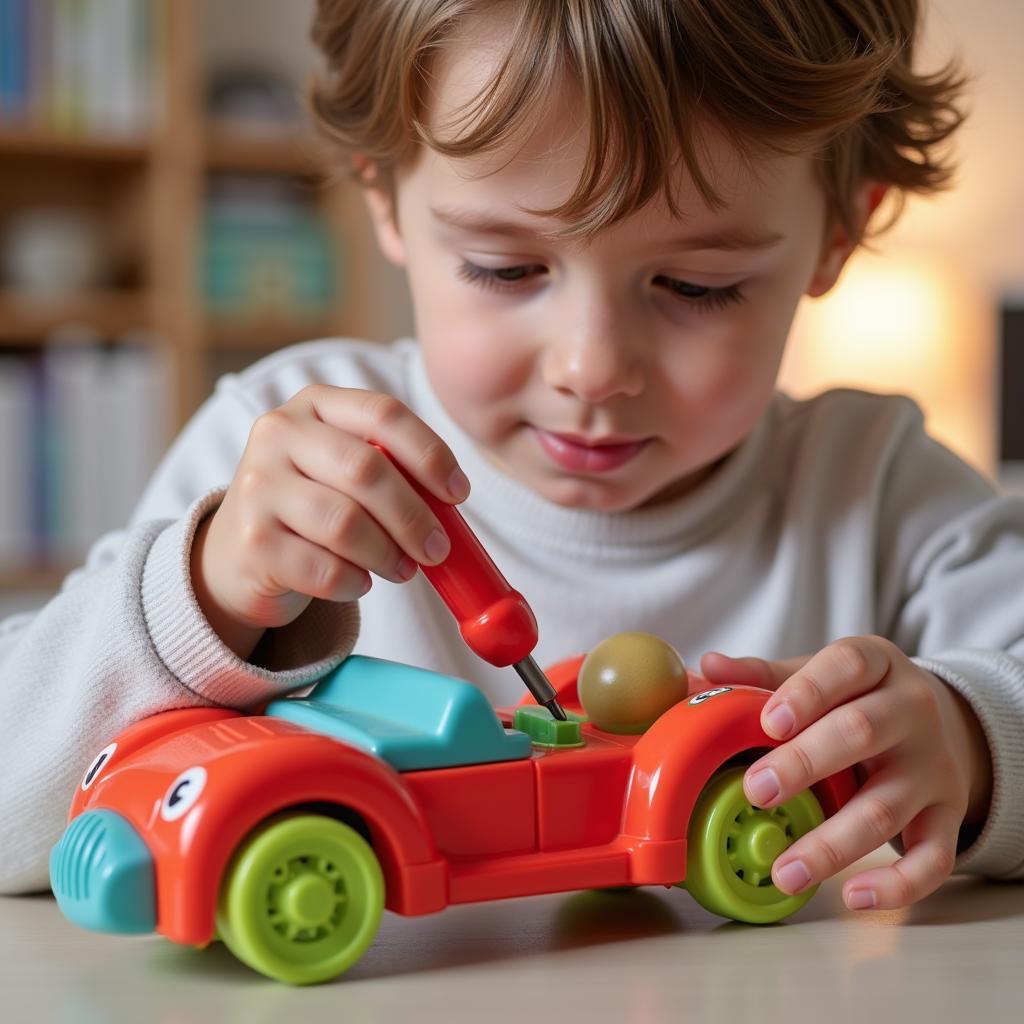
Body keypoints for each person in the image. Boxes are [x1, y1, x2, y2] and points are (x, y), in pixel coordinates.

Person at [2, 0, 1020, 916]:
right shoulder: (278, 452)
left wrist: (971, 738)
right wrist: (203, 599)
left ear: (842, 228)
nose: (591, 367)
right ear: (385, 199)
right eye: (506, 267)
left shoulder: (877, 486)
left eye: (698, 285)